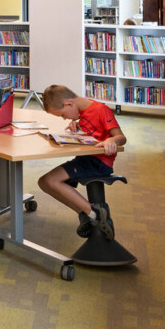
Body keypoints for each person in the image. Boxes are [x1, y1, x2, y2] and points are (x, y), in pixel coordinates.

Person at [35, 83, 128, 239]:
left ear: (68, 103)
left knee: (50, 180)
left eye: (62, 115)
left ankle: (96, 214)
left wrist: (112, 141)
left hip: (98, 162)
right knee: (44, 182)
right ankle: (86, 214)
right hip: (85, 159)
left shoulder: (100, 109)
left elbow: (121, 137)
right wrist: (77, 126)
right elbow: (92, 129)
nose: (64, 118)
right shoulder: (81, 111)